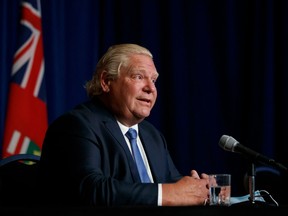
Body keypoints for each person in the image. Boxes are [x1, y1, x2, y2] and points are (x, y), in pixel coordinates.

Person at [39, 43, 209, 207]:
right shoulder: (76, 125)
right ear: (106, 81)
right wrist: (169, 194)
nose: (151, 88)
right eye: (138, 77)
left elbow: (171, 184)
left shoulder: (152, 135)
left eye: (154, 80)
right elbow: (91, 189)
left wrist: (200, 189)